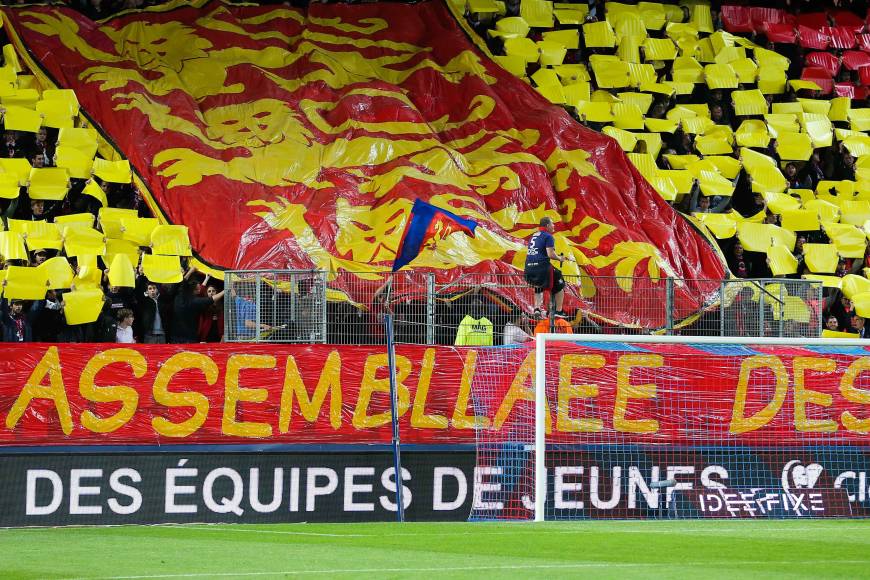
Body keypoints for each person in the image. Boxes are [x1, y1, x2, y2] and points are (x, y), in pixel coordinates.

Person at [524, 217, 572, 319]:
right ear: (547, 225)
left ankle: (537, 308)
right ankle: (558, 311)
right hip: (541, 267)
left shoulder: (534, 235)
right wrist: (560, 258)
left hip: (528, 268)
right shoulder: (548, 236)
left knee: (538, 285)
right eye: (552, 224)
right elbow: (550, 254)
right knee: (559, 280)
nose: (554, 225)